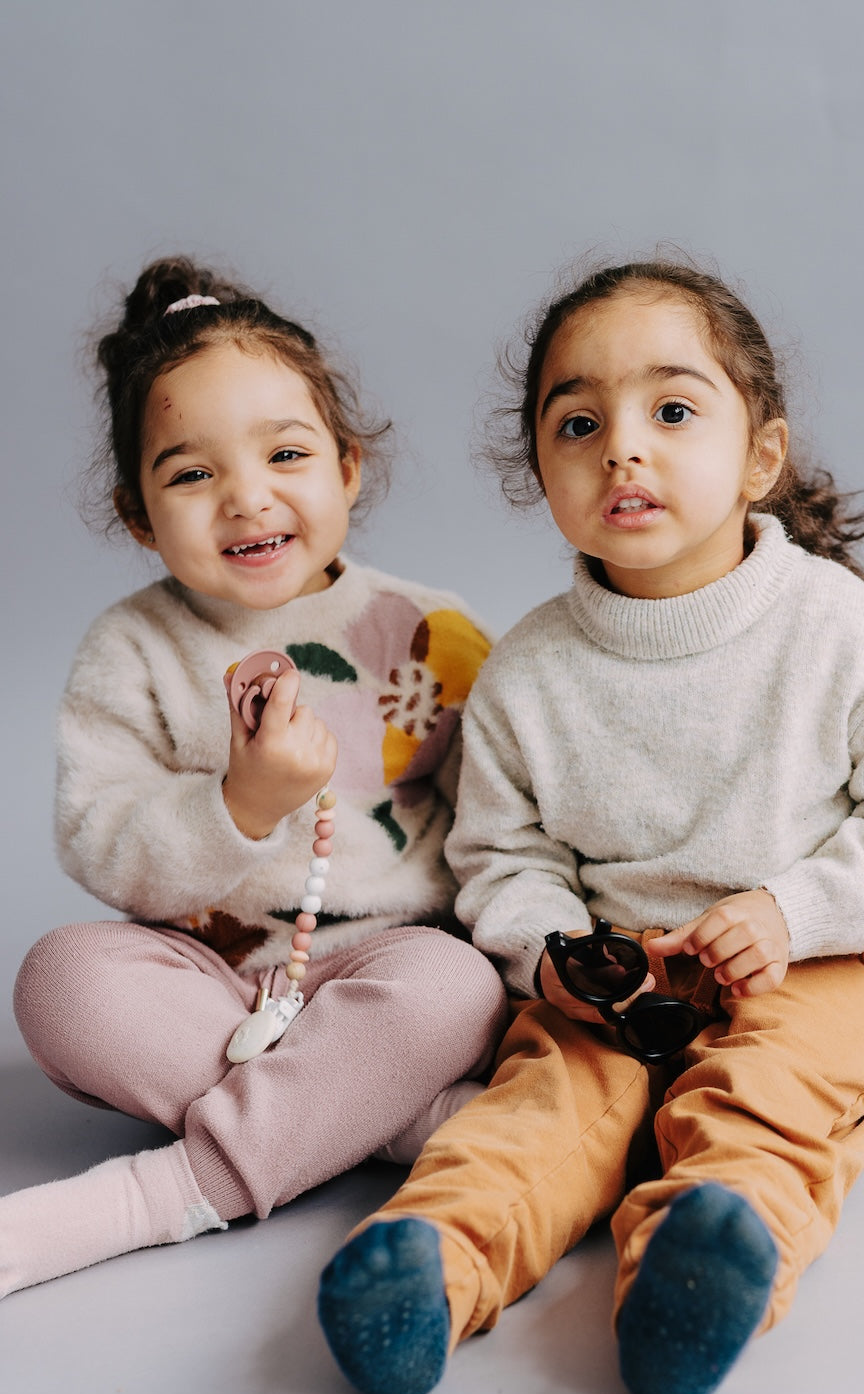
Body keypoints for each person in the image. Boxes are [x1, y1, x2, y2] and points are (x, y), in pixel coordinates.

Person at [316, 258, 864, 1394]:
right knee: (537, 1107)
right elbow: (503, 855)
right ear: (541, 471)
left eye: (672, 411)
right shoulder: (530, 669)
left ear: (760, 457)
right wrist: (558, 956)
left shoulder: (844, 633)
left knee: (767, 1096)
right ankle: (433, 1257)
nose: (622, 449)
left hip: (813, 957)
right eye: (579, 423)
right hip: (617, 971)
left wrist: (789, 910)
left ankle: (703, 1257)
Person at [2, 256, 507, 1300]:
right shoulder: (132, 648)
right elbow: (98, 835)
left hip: (386, 966)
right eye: (191, 474)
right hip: (211, 981)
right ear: (137, 513)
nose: (245, 497)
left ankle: (168, 1191)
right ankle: (388, 1119)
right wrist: (241, 806)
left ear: (348, 467)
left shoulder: (434, 632)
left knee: (455, 989)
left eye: (285, 453)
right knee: (61, 978)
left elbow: (507, 825)